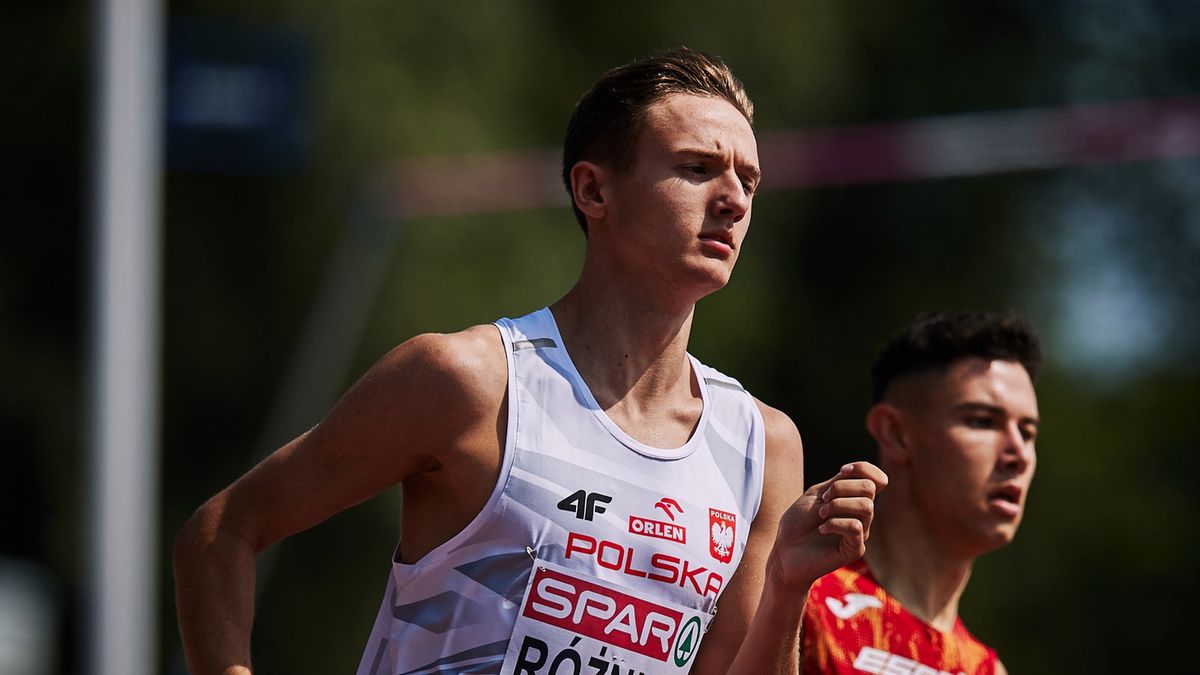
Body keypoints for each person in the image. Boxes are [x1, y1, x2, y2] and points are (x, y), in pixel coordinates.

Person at [174, 47, 886, 675]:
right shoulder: (469, 381)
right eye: (698, 169)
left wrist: (789, 590)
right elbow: (221, 532)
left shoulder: (762, 445)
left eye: (749, 181)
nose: (732, 199)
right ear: (593, 189)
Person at [801, 312, 1041, 675]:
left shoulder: (986, 669)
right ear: (897, 434)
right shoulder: (799, 599)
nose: (1018, 455)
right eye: (982, 421)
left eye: (1027, 432)